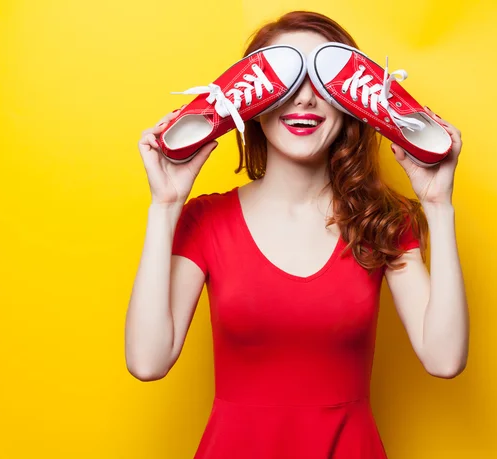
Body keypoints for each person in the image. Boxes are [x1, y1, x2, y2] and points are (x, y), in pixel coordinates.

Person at [125, 10, 469, 459]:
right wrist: (165, 206)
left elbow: (444, 360)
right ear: (249, 102)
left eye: (324, 82)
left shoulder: (381, 221)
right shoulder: (206, 219)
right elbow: (147, 361)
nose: (304, 98)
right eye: (286, 79)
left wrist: (438, 206)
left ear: (352, 104)